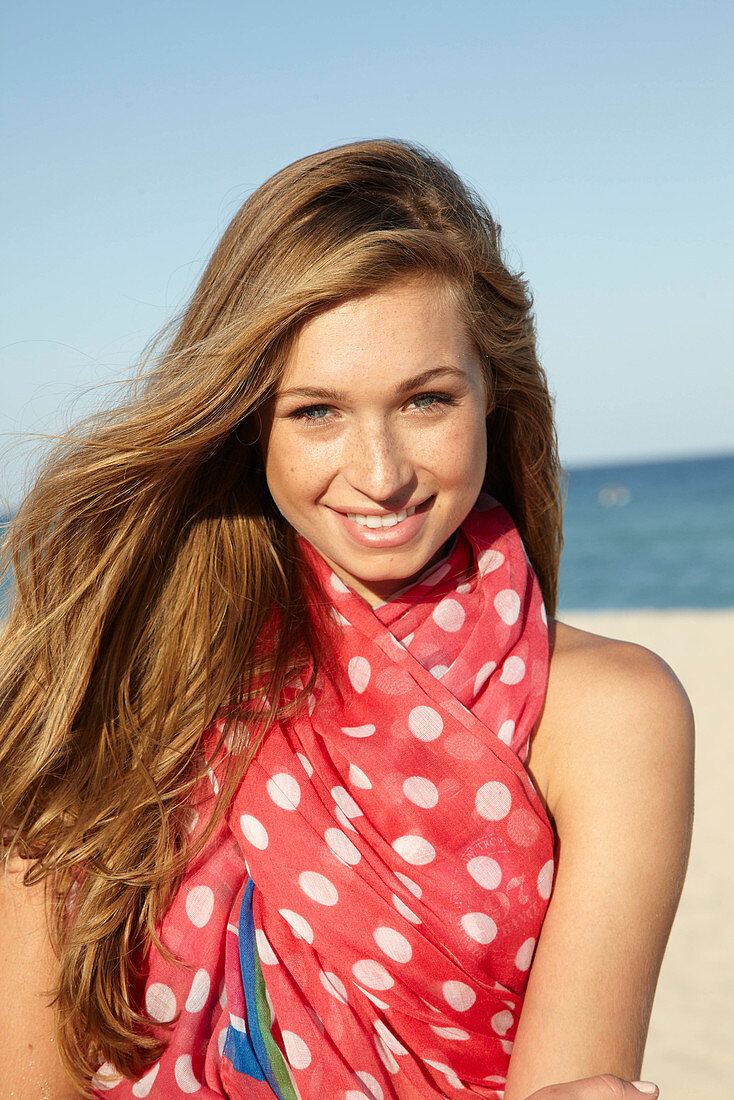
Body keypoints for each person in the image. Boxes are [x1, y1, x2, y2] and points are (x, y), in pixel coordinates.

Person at [0, 140, 694, 1100]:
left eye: (425, 400)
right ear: (247, 420)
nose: (380, 474)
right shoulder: (106, 685)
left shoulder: (611, 713)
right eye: (317, 411)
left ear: (495, 394)